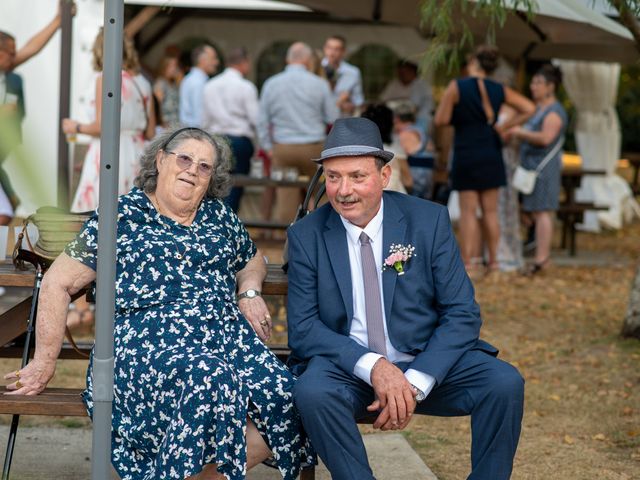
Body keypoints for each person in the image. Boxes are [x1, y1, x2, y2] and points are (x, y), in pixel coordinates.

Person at [3, 127, 313, 480]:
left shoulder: (219, 216)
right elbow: (58, 282)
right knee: (210, 379)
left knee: (291, 397)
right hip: (147, 342)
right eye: (184, 158)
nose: (192, 170)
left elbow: (251, 259)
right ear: (162, 160)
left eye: (204, 166)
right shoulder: (122, 214)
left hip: (226, 338)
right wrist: (44, 362)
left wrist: (250, 292)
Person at [286, 117, 524, 480]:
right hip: (349, 370)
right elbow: (303, 329)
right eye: (333, 177)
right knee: (313, 392)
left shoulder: (427, 221)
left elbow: (462, 314)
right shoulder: (307, 235)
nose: (343, 190)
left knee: (503, 383)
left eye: (357, 176)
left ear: (384, 176)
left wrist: (413, 383)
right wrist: (375, 367)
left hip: (423, 361)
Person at [434, 45, 534, 276]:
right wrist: (503, 126)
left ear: (473, 64)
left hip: (466, 150)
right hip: (491, 150)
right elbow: (529, 108)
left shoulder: (457, 86)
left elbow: (441, 119)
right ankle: (495, 263)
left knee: (469, 211)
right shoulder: (499, 88)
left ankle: (469, 263)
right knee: (491, 211)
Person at [62, 27, 155, 213]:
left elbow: (101, 127)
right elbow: (151, 132)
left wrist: (75, 127)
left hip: (108, 153)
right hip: (138, 154)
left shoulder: (105, 78)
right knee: (130, 214)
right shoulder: (143, 82)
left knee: (96, 215)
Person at [257, 42, 338, 226]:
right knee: (318, 194)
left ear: (288, 59)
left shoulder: (271, 83)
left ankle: (289, 240)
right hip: (314, 148)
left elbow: (261, 120)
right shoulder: (320, 84)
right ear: (308, 60)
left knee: (286, 197)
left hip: (283, 148)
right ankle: (322, 234)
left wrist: (268, 147)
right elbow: (333, 117)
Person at [509, 65, 568, 274]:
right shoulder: (538, 109)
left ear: (550, 86)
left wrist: (519, 133)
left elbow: (545, 138)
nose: (533, 87)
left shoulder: (554, 112)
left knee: (543, 212)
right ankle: (535, 250)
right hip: (530, 168)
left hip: (543, 170)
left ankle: (542, 258)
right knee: (531, 210)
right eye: (533, 82)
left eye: (538, 83)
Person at [202, 47, 258, 213]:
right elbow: (256, 119)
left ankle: (213, 221)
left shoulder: (210, 85)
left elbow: (204, 120)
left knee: (213, 184)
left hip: (215, 139)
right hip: (239, 141)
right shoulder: (246, 87)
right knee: (236, 184)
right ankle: (229, 222)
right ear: (244, 63)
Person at [360, 103, 412, 194]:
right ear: (390, 125)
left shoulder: (358, 152)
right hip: (394, 200)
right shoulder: (396, 152)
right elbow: (408, 182)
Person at [393, 102, 436, 200]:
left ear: (397, 119)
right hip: (429, 174)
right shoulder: (421, 131)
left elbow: (402, 156)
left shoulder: (405, 134)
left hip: (415, 174)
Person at [380, 60, 433, 134]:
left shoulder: (420, 85)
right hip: (400, 121)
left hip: (420, 120)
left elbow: (413, 107)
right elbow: (383, 101)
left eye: (404, 72)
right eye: (399, 72)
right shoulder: (394, 83)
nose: (401, 75)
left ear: (412, 72)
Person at [322, 35, 364, 117]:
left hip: (343, 120)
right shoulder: (316, 69)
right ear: (324, 49)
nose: (332, 53)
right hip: (321, 120)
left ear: (343, 51)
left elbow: (358, 100)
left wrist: (351, 105)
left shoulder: (353, 72)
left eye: (336, 49)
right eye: (329, 48)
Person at [179, 44, 219, 127]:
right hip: (197, 134)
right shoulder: (198, 82)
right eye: (213, 58)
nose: (216, 62)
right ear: (202, 60)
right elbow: (199, 117)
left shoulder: (192, 78)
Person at [153, 53, 183, 129]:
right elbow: (158, 105)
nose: (175, 69)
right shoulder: (160, 83)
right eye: (172, 66)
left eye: (176, 66)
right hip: (166, 125)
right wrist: (162, 123)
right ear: (164, 67)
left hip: (176, 124)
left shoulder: (174, 83)